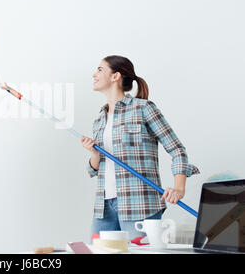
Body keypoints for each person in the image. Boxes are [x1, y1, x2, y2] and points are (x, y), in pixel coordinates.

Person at [80, 55, 200, 240]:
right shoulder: (99, 118)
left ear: (115, 76)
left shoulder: (143, 108)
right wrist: (95, 154)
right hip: (104, 208)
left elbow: (177, 150)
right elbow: (94, 169)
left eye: (100, 69)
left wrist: (178, 188)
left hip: (140, 205)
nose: (94, 74)